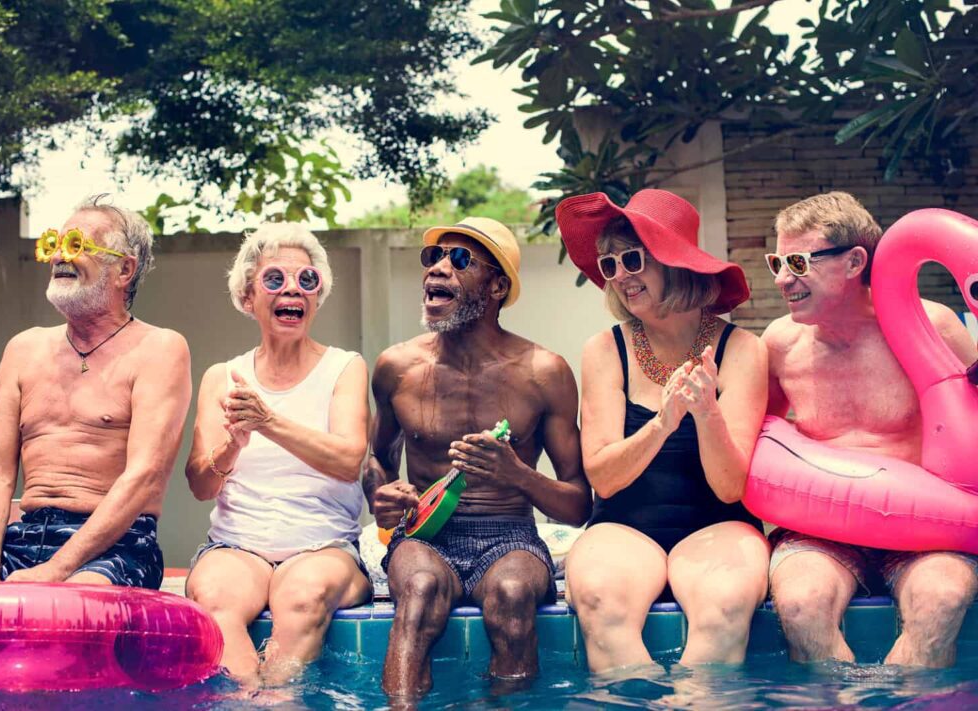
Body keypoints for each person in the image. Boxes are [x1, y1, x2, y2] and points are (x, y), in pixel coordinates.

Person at [364, 217, 590, 698]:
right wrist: (381, 494)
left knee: (511, 598)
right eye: (434, 257)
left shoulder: (542, 372)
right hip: (425, 534)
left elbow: (578, 504)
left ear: (496, 286)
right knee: (420, 592)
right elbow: (376, 460)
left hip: (509, 535)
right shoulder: (396, 367)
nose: (437, 269)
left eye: (459, 259)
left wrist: (517, 474)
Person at [558, 189, 771, 672]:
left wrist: (705, 412)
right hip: (623, 526)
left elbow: (730, 485)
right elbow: (605, 478)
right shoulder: (604, 350)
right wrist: (664, 421)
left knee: (725, 608)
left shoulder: (742, 351)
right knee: (600, 604)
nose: (620, 276)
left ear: (673, 261)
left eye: (632, 259)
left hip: (718, 524)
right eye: (609, 265)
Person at [764, 191, 978, 667]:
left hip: (927, 529)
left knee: (941, 601)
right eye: (777, 261)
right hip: (820, 531)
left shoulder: (931, 327)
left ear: (855, 260)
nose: (782, 279)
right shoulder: (781, 345)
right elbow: (760, 436)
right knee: (800, 607)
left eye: (798, 261)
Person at [0, 195, 190, 589]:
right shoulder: (24, 349)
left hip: (119, 544)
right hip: (23, 536)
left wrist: (57, 570)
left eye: (77, 245)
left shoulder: (159, 348)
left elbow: (144, 475)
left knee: (79, 602)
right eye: (54, 244)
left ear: (124, 270)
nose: (60, 256)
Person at [185, 223, 371, 687]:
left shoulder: (344, 368)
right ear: (248, 298)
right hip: (237, 546)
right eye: (274, 279)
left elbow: (350, 460)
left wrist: (269, 422)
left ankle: (277, 698)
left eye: (307, 280)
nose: (293, 289)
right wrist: (233, 446)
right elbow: (199, 485)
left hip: (323, 545)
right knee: (212, 596)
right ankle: (254, 696)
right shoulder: (222, 376)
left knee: (303, 597)